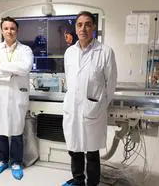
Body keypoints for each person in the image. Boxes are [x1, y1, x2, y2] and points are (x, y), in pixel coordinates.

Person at [62, 11, 117, 186]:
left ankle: (92, 184)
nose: (83, 28)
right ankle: (78, 181)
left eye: (87, 24)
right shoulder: (69, 52)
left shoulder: (105, 52)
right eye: (79, 25)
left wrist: (99, 105)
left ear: (94, 27)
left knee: (92, 153)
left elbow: (111, 83)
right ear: (76, 28)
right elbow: (70, 79)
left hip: (93, 109)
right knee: (74, 149)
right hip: (73, 108)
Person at [0, 16, 33, 180]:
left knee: (17, 131)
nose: (9, 31)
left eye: (12, 28)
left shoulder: (25, 50)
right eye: (6, 28)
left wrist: (2, 66)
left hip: (17, 96)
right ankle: (2, 160)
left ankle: (16, 162)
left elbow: (25, 69)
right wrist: (11, 73)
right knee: (0, 130)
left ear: (17, 30)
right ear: (2, 30)